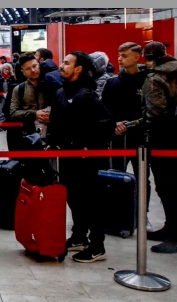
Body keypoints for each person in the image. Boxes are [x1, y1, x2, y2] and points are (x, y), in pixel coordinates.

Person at [43, 51, 116, 262]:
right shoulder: (61, 92)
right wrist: (52, 143)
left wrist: (88, 145)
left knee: (90, 201)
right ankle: (78, 236)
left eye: (66, 63)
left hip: (86, 160)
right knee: (74, 199)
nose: (61, 66)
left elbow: (107, 124)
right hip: (67, 156)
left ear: (78, 69)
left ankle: (97, 245)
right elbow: (56, 123)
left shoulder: (86, 95)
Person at [142, 41, 177, 253]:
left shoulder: (155, 78)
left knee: (167, 187)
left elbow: (155, 112)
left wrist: (144, 128)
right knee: (176, 186)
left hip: (164, 140)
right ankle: (172, 227)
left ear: (147, 57)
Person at [102, 42, 149, 174]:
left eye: (124, 55)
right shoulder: (112, 82)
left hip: (142, 136)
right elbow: (104, 109)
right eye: (119, 55)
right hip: (118, 136)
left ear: (136, 57)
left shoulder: (148, 82)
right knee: (116, 175)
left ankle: (141, 195)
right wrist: (113, 124)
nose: (119, 59)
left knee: (143, 177)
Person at [7, 53, 52, 151]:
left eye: (35, 66)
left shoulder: (50, 85)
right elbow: (13, 113)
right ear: (23, 72)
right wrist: (35, 113)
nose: (33, 70)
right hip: (28, 136)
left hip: (50, 137)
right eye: (28, 69)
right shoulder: (19, 89)